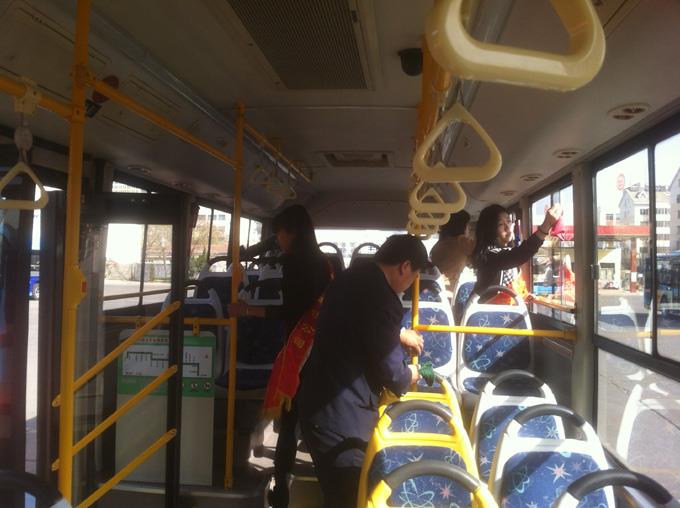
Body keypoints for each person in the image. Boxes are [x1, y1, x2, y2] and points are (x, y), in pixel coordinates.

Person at [297, 234, 427, 508]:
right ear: (404, 266)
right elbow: (392, 373)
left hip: (317, 403)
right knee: (349, 496)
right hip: (341, 418)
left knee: (335, 494)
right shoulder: (383, 298)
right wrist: (411, 375)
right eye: (414, 275)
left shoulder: (349, 277)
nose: (411, 284)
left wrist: (398, 333)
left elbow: (357, 324)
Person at [228, 204, 331, 508]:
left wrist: (246, 310)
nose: (279, 240)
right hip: (321, 348)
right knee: (315, 421)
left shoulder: (296, 264)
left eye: (280, 234)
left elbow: (290, 310)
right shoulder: (323, 262)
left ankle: (283, 491)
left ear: (292, 232)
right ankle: (326, 485)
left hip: (301, 351)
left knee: (290, 422)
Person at [472, 203, 561, 303]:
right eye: (500, 224)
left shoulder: (507, 253)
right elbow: (521, 254)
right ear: (489, 230)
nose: (507, 227)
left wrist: (523, 296)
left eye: (508, 221)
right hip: (487, 311)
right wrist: (546, 224)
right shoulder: (490, 256)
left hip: (506, 310)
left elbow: (511, 286)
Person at [430, 210, 475, 296]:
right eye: (468, 225)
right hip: (452, 290)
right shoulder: (461, 241)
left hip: (437, 289)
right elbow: (481, 252)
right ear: (462, 226)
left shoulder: (439, 245)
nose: (469, 229)